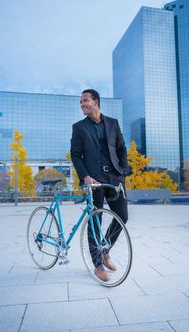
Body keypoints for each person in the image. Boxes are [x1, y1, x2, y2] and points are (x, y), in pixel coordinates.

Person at [70, 89, 128, 281]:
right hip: (93, 181)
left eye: (85, 100)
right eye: (80, 102)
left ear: (96, 101)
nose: (82, 104)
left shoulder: (113, 123)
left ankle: (105, 250)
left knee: (122, 216)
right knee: (95, 222)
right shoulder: (79, 127)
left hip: (114, 178)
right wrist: (85, 176)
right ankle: (98, 265)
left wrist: (123, 169)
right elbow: (76, 155)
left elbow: (121, 148)